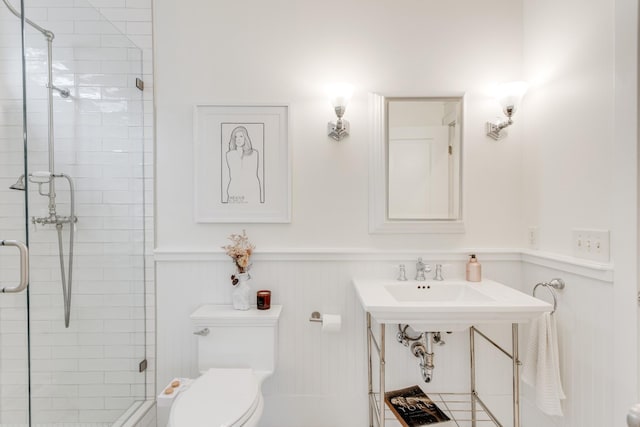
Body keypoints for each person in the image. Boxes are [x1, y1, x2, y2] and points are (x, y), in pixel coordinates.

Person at [223, 126, 263, 204]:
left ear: (245, 138)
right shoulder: (229, 155)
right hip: (235, 191)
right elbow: (234, 174)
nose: (238, 139)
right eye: (235, 137)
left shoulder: (254, 153)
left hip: (251, 190)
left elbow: (253, 175)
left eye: (241, 136)